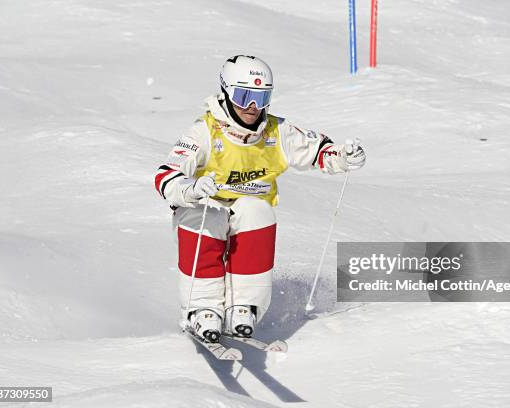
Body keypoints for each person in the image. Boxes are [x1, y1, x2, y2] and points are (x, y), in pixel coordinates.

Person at [155, 55, 366, 342]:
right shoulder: (204, 130)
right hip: (205, 205)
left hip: (248, 207)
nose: (253, 108)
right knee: (208, 215)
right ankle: (202, 308)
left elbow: (317, 150)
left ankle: (245, 305)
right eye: (244, 97)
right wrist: (190, 189)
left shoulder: (275, 132)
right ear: (227, 92)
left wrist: (343, 156)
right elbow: (167, 175)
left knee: (257, 210)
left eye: (261, 97)